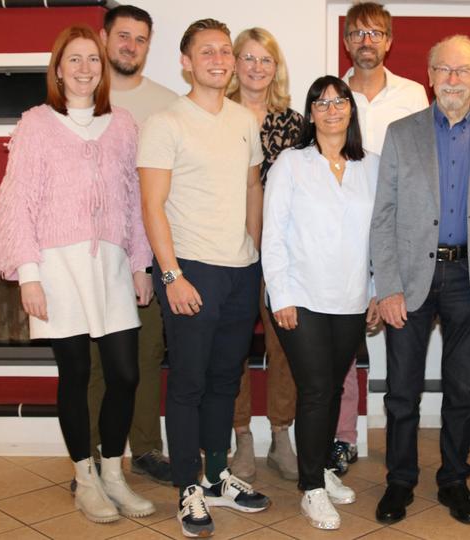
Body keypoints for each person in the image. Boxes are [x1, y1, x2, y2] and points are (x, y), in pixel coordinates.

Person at [0, 25, 155, 523]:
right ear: (58, 69)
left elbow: (133, 201)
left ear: (103, 71)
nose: (85, 69)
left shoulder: (123, 124)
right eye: (74, 60)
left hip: (111, 266)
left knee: (126, 373)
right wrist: (29, 276)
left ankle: (112, 473)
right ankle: (84, 479)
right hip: (56, 268)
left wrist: (139, 263)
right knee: (77, 374)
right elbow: (17, 203)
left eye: (93, 61)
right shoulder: (36, 124)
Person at [371, 35, 470, 526]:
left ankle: (454, 480)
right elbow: (384, 215)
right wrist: (387, 285)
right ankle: (400, 480)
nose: (454, 79)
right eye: (444, 70)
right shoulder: (401, 132)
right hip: (412, 276)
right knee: (401, 390)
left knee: (463, 388)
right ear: (430, 76)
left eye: (464, 71)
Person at [137, 18, 270, 538]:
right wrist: (171, 275)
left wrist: (254, 252)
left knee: (224, 381)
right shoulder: (166, 122)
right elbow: (152, 206)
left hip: (240, 272)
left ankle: (217, 476)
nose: (219, 59)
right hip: (190, 271)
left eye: (224, 51)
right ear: (186, 62)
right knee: (189, 383)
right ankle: (187, 486)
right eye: (206, 52)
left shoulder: (243, 120)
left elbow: (252, 186)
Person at [263, 76, 380, 530]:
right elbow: (273, 236)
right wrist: (282, 294)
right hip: (302, 297)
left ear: (351, 110)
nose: (331, 109)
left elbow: (378, 236)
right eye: (321, 102)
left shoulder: (371, 165)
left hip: (350, 297)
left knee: (332, 389)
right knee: (314, 390)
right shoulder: (291, 164)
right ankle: (310, 488)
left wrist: (375, 290)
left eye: (340, 101)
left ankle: (320, 469)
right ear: (310, 113)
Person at [79, 4, 178, 489]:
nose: (130, 46)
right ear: (104, 37)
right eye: (123, 36)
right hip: (91, 255)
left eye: (140, 39)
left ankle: (144, 449)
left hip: (149, 254)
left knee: (144, 354)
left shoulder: (165, 103)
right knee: (97, 360)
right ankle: (95, 458)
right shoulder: (79, 98)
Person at [335, 0, 428, 474]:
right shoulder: (331, 95)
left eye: (375, 33)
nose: (366, 42)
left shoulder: (414, 95)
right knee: (345, 340)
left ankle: (400, 453)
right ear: (346, 40)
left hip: (402, 236)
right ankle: (343, 438)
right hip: (344, 236)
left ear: (389, 40)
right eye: (357, 33)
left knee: (402, 344)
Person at [226, 27, 304, 484]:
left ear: (277, 68)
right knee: (233, 345)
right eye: (249, 58)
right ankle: (242, 437)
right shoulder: (215, 116)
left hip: (282, 251)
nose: (257, 67)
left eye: (266, 59)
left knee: (285, 344)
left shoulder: (294, 124)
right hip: (227, 249)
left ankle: (280, 433)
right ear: (235, 63)